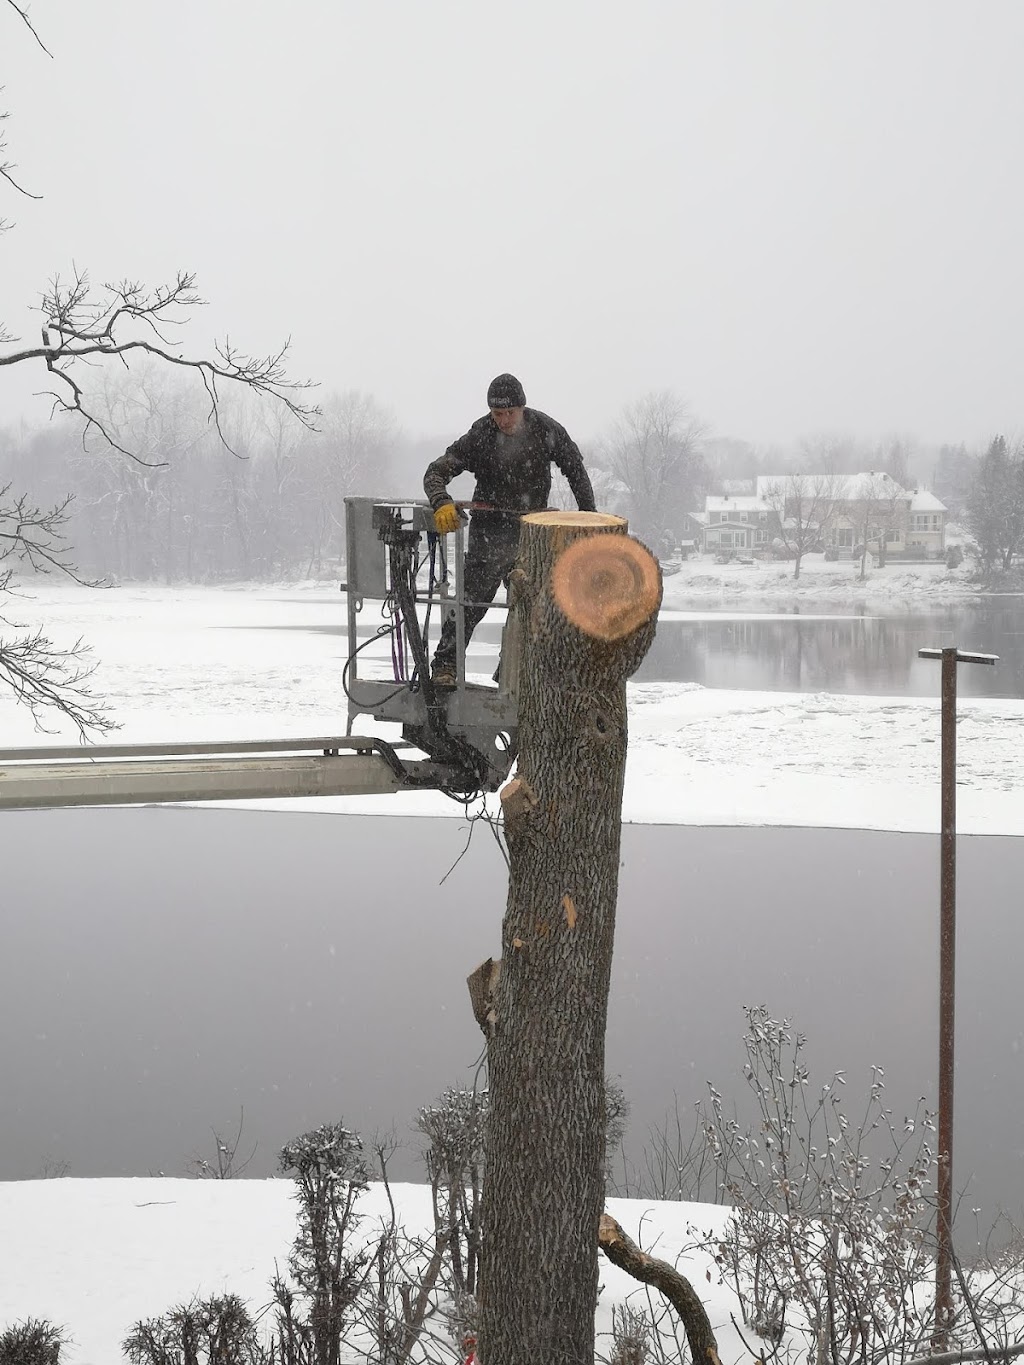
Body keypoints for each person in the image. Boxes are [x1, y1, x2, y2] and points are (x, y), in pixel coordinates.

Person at [423, 373, 596, 688]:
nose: (503, 420)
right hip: (488, 533)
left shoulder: (546, 429)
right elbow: (436, 472)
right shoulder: (480, 435)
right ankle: (445, 667)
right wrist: (441, 501)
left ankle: (511, 671)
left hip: (532, 535)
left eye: (509, 413)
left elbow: (576, 471)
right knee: (470, 603)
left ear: (522, 407)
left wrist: (590, 518)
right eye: (497, 414)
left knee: (536, 606)